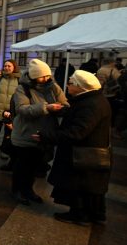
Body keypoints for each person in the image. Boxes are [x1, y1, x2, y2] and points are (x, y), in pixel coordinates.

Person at [34, 70, 111, 225]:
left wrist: (47, 136)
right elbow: (77, 114)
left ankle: (79, 215)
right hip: (88, 152)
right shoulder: (92, 99)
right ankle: (91, 214)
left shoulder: (91, 105)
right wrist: (62, 110)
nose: (67, 85)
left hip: (83, 154)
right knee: (88, 188)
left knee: (80, 186)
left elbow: (77, 132)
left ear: (80, 86)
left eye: (70, 83)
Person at [10, 59, 68, 205]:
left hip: (44, 134)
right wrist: (46, 108)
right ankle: (17, 190)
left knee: (35, 165)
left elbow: (65, 103)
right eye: (42, 76)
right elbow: (22, 109)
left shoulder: (53, 87)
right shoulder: (23, 88)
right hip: (26, 133)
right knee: (22, 165)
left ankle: (28, 190)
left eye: (48, 75)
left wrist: (61, 108)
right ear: (34, 76)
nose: (46, 79)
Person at [96, 57, 121, 127]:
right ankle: (110, 124)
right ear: (111, 62)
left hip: (103, 93)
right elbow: (119, 80)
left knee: (103, 109)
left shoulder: (101, 70)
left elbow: (100, 83)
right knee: (112, 109)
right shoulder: (114, 70)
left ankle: (102, 123)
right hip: (112, 92)